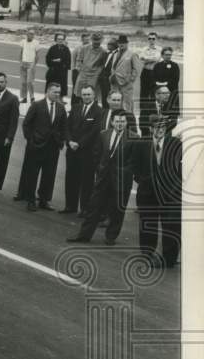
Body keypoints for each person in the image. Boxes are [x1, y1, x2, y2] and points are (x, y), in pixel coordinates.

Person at [66, 111, 136, 245]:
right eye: (117, 121)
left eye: (122, 121)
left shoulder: (134, 137)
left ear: (126, 123)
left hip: (121, 180)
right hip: (103, 178)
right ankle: (84, 235)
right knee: (93, 208)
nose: (120, 124)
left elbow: (134, 161)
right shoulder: (104, 134)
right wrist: (100, 169)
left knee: (117, 210)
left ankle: (111, 236)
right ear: (112, 122)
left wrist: (123, 172)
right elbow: (96, 154)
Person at [132, 115, 182, 268]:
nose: (160, 130)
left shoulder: (176, 143)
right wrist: (145, 180)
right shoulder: (141, 144)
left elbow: (182, 167)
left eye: (162, 127)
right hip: (148, 193)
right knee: (148, 224)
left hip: (170, 194)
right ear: (151, 128)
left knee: (171, 225)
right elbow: (135, 166)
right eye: (156, 127)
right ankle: (147, 254)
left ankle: (169, 258)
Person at [16, 82, 68, 211]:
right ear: (48, 91)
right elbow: (26, 124)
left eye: (58, 92)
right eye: (55, 92)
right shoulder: (37, 105)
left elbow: (64, 127)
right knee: (32, 174)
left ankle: (44, 200)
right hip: (36, 146)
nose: (57, 94)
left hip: (53, 147)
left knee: (49, 175)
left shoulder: (61, 108)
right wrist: (31, 140)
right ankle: (30, 200)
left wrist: (61, 141)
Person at [60, 85, 102, 216]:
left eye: (89, 94)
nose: (86, 97)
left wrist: (79, 143)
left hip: (87, 152)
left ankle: (85, 208)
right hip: (72, 150)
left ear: (94, 95)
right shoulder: (76, 108)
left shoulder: (99, 111)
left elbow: (94, 131)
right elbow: (67, 126)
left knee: (87, 181)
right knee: (71, 178)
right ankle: (70, 206)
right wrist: (69, 141)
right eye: (84, 94)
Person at [73, 31, 105, 109]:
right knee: (80, 94)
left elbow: (102, 65)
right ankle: (80, 110)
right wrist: (80, 69)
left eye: (98, 42)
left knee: (92, 94)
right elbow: (79, 60)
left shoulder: (103, 52)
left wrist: (97, 72)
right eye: (95, 42)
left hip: (94, 76)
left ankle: (92, 111)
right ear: (92, 40)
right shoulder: (84, 48)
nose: (96, 44)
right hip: (83, 74)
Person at [108, 34, 138, 115]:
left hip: (126, 84)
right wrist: (111, 77)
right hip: (115, 83)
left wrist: (130, 80)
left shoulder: (132, 54)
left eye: (123, 43)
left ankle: (129, 122)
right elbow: (113, 67)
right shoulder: (115, 54)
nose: (121, 44)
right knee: (116, 104)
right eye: (120, 43)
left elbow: (136, 70)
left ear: (127, 44)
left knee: (127, 105)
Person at [45, 33, 72, 97]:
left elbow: (68, 62)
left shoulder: (66, 49)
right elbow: (48, 60)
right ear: (56, 40)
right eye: (59, 39)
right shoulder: (52, 48)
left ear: (64, 40)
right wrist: (55, 61)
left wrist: (61, 62)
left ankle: (60, 101)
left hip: (62, 72)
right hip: (53, 71)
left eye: (62, 39)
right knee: (51, 87)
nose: (60, 40)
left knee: (61, 89)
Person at [153, 46, 180, 111]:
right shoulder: (157, 65)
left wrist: (165, 84)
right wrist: (158, 84)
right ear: (162, 55)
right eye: (166, 55)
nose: (168, 56)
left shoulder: (175, 65)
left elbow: (176, 79)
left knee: (171, 113)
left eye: (170, 55)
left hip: (171, 90)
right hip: (158, 89)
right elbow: (153, 78)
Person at [19, 30, 40, 103]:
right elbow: (21, 52)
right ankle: (24, 98)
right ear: (27, 34)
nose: (31, 35)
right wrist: (20, 62)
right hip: (23, 63)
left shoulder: (36, 43)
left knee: (29, 82)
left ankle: (32, 97)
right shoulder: (23, 42)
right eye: (30, 34)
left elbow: (37, 55)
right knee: (23, 82)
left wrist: (34, 64)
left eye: (33, 34)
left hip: (31, 64)